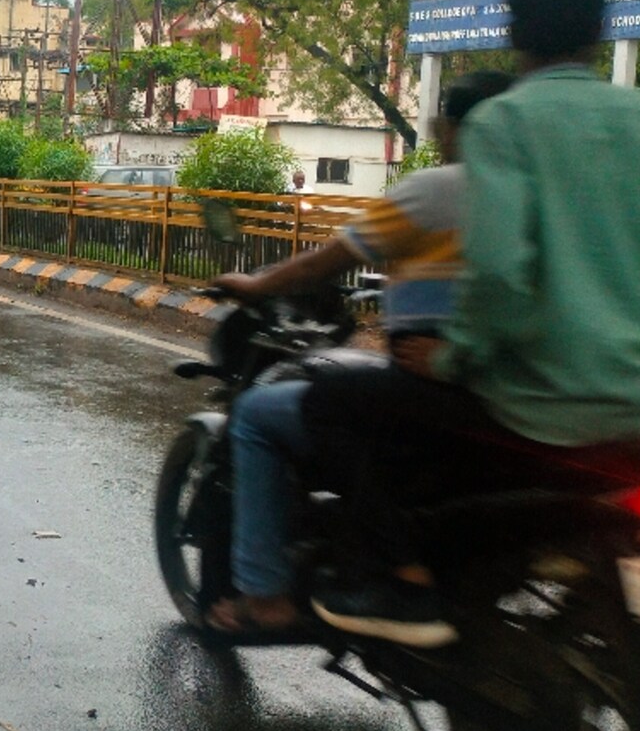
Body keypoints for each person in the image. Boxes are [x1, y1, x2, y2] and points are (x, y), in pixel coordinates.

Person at [300, 0, 640, 645]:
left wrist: (455, 360)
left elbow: (504, 276)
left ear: (513, 30)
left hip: (532, 412)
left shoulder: (502, 125)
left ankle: (399, 586)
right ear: (601, 28)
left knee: (327, 399)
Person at [204, 69, 513, 639]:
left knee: (262, 416)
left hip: (444, 391)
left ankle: (269, 597)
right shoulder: (534, 194)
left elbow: (328, 261)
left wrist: (255, 285)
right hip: (518, 396)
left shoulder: (438, 189)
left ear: (448, 128)